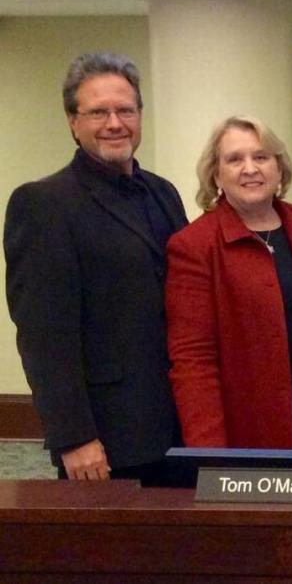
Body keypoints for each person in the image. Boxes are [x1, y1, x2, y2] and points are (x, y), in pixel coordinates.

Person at [4, 52, 186, 484]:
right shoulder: (43, 203)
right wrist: (73, 437)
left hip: (176, 420)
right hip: (107, 435)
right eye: (98, 112)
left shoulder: (163, 193)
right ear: (72, 121)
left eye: (125, 110)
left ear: (140, 115)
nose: (114, 123)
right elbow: (44, 336)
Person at [165, 116, 292, 450]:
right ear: (216, 174)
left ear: (279, 168)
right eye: (234, 159)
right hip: (248, 428)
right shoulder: (194, 245)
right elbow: (192, 359)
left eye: (261, 157)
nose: (250, 168)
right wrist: (209, 450)